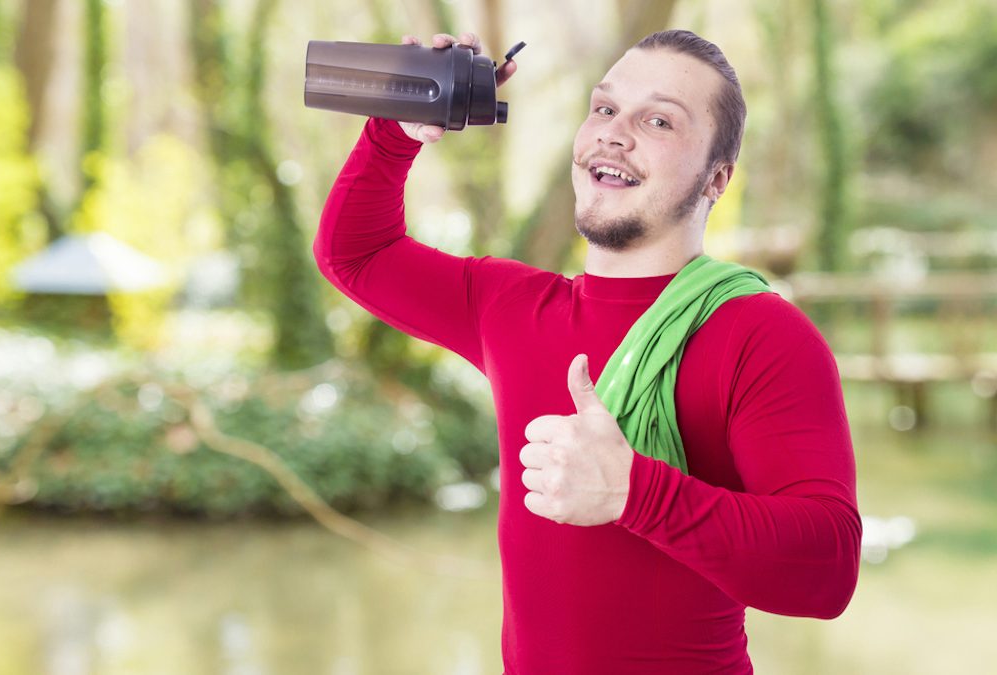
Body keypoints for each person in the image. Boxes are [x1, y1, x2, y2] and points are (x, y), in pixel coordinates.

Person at [314, 28, 861, 675]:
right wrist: (393, 131)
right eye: (604, 108)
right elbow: (356, 252)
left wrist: (635, 492)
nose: (614, 132)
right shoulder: (511, 307)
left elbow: (827, 571)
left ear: (717, 178)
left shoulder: (761, 336)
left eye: (658, 120)